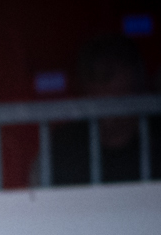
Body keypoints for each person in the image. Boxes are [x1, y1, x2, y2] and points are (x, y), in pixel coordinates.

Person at [44, 36, 159, 185]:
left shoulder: (156, 138)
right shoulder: (63, 145)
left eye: (106, 76)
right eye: (90, 77)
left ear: (136, 77)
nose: (98, 89)